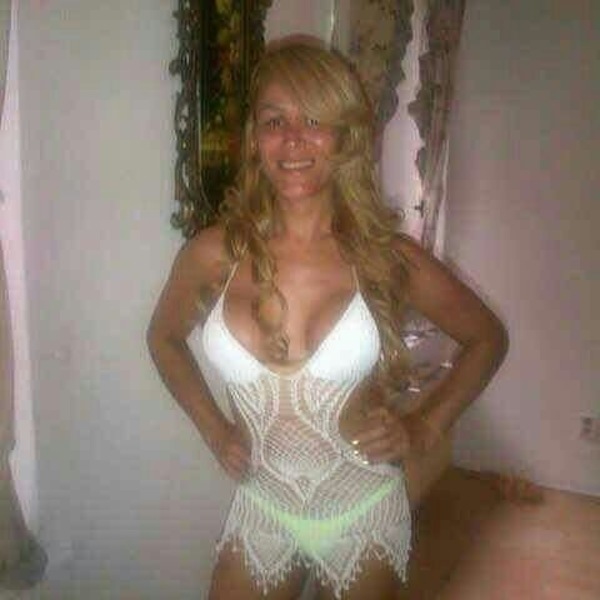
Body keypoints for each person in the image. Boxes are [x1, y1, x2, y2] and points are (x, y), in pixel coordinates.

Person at [147, 38, 508, 600]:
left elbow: (487, 338)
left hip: (362, 509)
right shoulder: (213, 254)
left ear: (345, 136)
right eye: (275, 121)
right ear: (255, 138)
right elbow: (164, 338)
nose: (293, 139)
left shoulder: (385, 257)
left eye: (314, 119)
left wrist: (425, 425)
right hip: (263, 504)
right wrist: (214, 429)